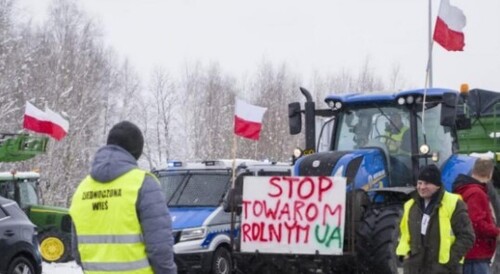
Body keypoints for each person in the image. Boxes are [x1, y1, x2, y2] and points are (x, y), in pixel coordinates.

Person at [69, 121, 177, 274]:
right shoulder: (143, 183)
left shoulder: (82, 188)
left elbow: (78, 251)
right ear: (136, 151)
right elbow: (159, 247)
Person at [397, 164, 475, 274]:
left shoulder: (453, 204)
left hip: (444, 270)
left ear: (437, 185)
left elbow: (467, 236)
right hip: (415, 269)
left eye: (427, 183)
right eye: (419, 183)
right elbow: (404, 235)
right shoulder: (410, 205)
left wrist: (448, 263)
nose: (422, 187)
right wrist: (404, 257)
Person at [453, 157, 500, 274]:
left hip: (468, 252)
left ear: (473, 170)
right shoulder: (477, 193)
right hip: (476, 253)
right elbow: (476, 222)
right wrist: (496, 232)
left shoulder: (463, 189)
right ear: (490, 173)